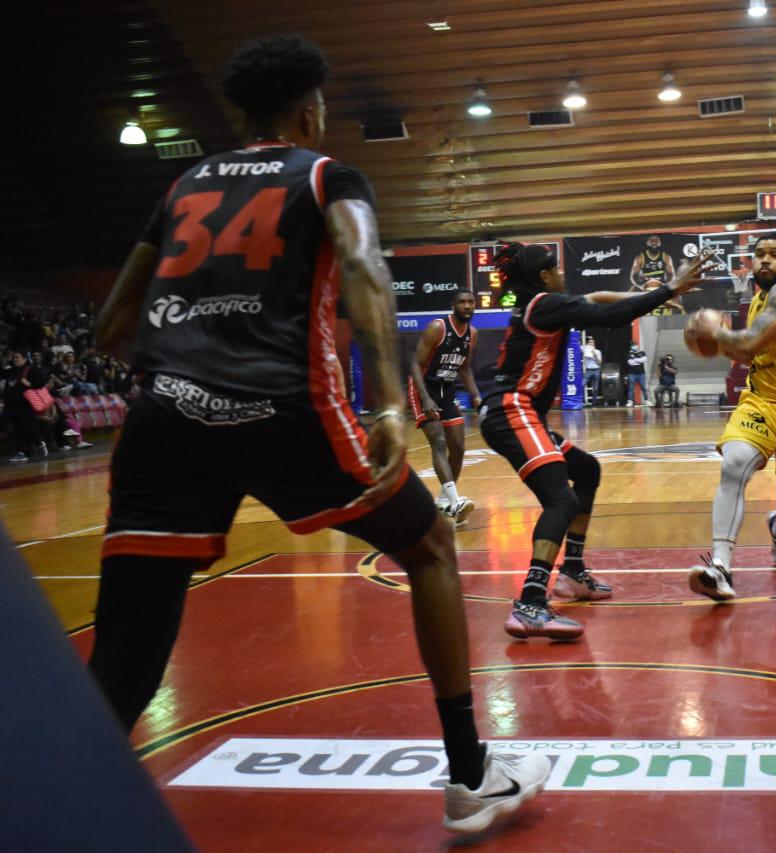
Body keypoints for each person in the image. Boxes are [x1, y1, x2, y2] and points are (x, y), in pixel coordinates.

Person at [84, 34, 548, 834]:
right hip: (281, 408)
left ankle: (60, 808)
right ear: (309, 112)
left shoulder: (186, 182)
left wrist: (182, 372)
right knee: (430, 544)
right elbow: (367, 271)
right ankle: (471, 775)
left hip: (163, 420)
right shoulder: (328, 174)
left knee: (130, 633)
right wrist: (387, 405)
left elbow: (110, 326)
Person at [480, 242, 709, 638]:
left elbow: (600, 297)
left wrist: (658, 293)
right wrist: (667, 291)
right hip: (510, 410)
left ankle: (572, 573)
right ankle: (530, 604)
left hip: (518, 412)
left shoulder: (545, 303)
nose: (564, 274)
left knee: (587, 470)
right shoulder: (544, 305)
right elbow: (608, 314)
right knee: (561, 499)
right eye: (558, 269)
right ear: (546, 276)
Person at [684, 234, 776, 599]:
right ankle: (720, 567)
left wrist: (714, 332)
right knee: (733, 464)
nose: (765, 260)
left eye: (775, 255)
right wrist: (718, 344)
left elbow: (748, 342)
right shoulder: (756, 303)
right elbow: (751, 355)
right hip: (762, 403)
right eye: (759, 254)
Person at [408, 290, 481, 526]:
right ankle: (456, 500)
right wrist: (425, 398)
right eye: (462, 302)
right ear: (453, 305)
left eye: (470, 302)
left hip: (446, 390)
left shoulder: (472, 334)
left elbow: (465, 369)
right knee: (438, 442)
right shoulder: (438, 328)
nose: (467, 306)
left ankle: (443, 500)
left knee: (458, 448)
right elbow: (415, 365)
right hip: (423, 388)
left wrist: (477, 396)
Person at [629, 235, 681, 314]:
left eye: (656, 240)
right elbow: (634, 276)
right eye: (651, 240)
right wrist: (640, 285)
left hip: (661, 282)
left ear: (660, 243)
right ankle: (631, 318)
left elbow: (671, 274)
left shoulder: (666, 257)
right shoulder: (640, 257)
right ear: (647, 243)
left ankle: (676, 315)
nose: (654, 242)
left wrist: (666, 285)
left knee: (677, 295)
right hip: (646, 282)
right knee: (629, 295)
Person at [625, 342, 649, 406]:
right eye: (633, 346)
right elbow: (630, 363)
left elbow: (644, 360)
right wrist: (639, 360)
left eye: (635, 345)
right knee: (631, 388)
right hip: (632, 374)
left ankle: (647, 400)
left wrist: (635, 359)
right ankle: (630, 401)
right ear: (631, 347)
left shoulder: (642, 352)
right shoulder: (629, 354)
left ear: (637, 346)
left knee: (643, 387)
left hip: (641, 374)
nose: (635, 346)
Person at [581, 335, 601, 404]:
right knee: (582, 384)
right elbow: (577, 345)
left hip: (596, 370)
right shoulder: (585, 349)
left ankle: (594, 403)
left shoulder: (598, 351)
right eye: (590, 342)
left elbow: (599, 363)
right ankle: (582, 401)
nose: (592, 344)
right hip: (588, 370)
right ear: (588, 344)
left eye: (593, 343)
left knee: (595, 389)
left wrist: (594, 354)